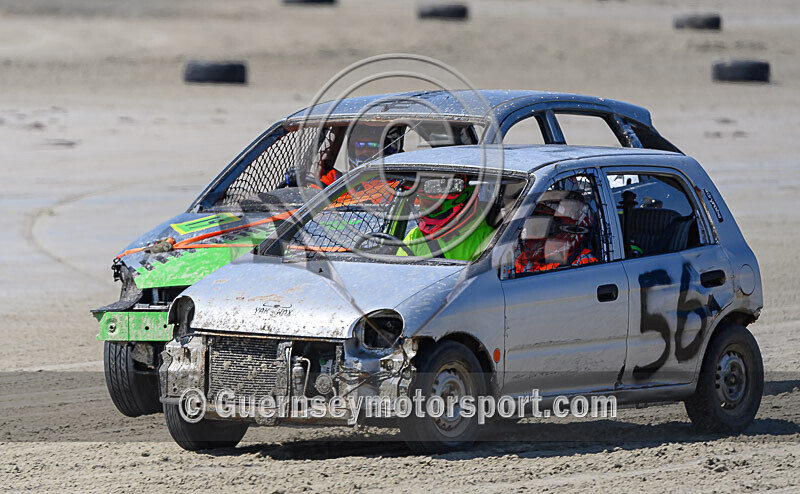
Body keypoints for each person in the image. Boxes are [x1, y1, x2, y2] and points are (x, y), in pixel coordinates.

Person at [397, 176, 494, 261]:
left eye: (432, 204)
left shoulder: (488, 239)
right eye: (422, 201)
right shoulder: (415, 236)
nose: (424, 209)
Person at [514, 189, 598, 274]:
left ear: (572, 231)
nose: (534, 234)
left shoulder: (585, 265)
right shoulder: (524, 260)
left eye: (545, 227)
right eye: (532, 226)